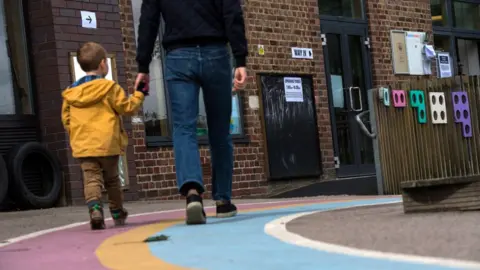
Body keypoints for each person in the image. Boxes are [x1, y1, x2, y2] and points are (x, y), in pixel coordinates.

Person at [135, 0, 248, 225]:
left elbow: (148, 21)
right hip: (216, 53)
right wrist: (240, 59)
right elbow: (232, 13)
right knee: (220, 131)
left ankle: (192, 192)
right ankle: (223, 201)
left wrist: (143, 66)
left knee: (183, 128)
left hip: (178, 57)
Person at [61, 42, 149, 230]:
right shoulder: (110, 88)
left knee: (91, 179)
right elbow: (127, 107)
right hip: (107, 143)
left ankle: (95, 210)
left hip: (83, 145)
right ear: (103, 64)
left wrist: (77, 133)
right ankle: (117, 212)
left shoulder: (71, 93)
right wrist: (139, 94)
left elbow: (66, 119)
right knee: (112, 179)